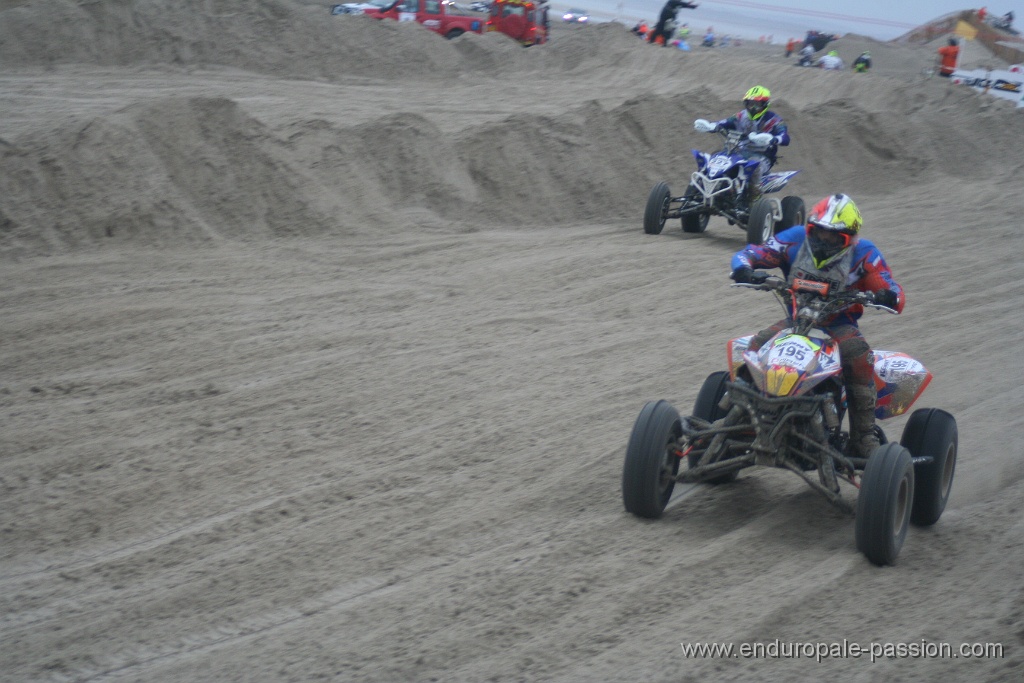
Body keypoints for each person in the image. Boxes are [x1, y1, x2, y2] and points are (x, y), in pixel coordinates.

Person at [729, 194, 904, 460]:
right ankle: (739, 420)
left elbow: (892, 289)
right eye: (819, 232)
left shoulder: (865, 253)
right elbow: (752, 253)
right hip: (797, 320)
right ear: (810, 227)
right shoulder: (795, 238)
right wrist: (744, 268)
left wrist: (887, 295)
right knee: (755, 347)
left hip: (838, 324)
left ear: (850, 237)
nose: (824, 240)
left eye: (834, 237)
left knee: (859, 357)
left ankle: (863, 436)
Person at [699, 86, 790, 209]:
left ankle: (754, 197)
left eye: (757, 104)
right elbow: (724, 122)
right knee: (717, 157)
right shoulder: (740, 116)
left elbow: (785, 137)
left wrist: (774, 139)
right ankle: (706, 190)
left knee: (755, 165)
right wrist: (712, 126)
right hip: (739, 152)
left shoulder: (774, 120)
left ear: (764, 105)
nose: (753, 107)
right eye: (750, 103)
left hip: (762, 157)